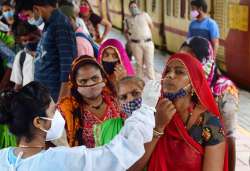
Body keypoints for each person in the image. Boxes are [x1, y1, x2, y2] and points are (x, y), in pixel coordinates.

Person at [0, 80, 162, 171]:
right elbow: (115, 155)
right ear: (38, 122)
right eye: (53, 110)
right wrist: (146, 109)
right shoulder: (60, 160)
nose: (59, 115)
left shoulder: (3, 157)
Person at [129, 53, 228, 171]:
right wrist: (158, 127)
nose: (170, 76)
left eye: (179, 72)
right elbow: (133, 168)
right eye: (167, 71)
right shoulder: (151, 112)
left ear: (193, 83)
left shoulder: (210, 124)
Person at [180, 36, 238, 171]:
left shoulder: (224, 90)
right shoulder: (185, 85)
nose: (186, 65)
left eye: (192, 60)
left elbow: (230, 137)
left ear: (205, 61)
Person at [58, 56, 128, 148]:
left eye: (95, 78)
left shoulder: (118, 101)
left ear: (103, 78)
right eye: (83, 81)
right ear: (74, 83)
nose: (90, 84)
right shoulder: (66, 111)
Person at [15, 0, 77, 102]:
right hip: (46, 97)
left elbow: (68, 66)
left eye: (27, 16)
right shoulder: (50, 24)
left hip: (56, 97)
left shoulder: (60, 25)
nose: (28, 20)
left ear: (36, 9)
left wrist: (62, 102)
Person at [124, 0, 155, 80]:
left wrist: (147, 36)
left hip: (148, 42)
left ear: (138, 7)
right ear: (129, 9)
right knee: (139, 65)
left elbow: (151, 26)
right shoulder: (127, 19)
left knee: (149, 64)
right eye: (131, 7)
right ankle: (139, 84)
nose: (133, 8)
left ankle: (153, 83)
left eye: (135, 7)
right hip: (135, 44)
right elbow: (126, 32)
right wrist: (129, 41)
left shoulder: (145, 15)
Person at [10, 20, 41, 91]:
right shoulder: (20, 57)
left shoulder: (49, 53)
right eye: (25, 41)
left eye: (32, 39)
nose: (29, 43)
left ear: (39, 34)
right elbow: (18, 85)